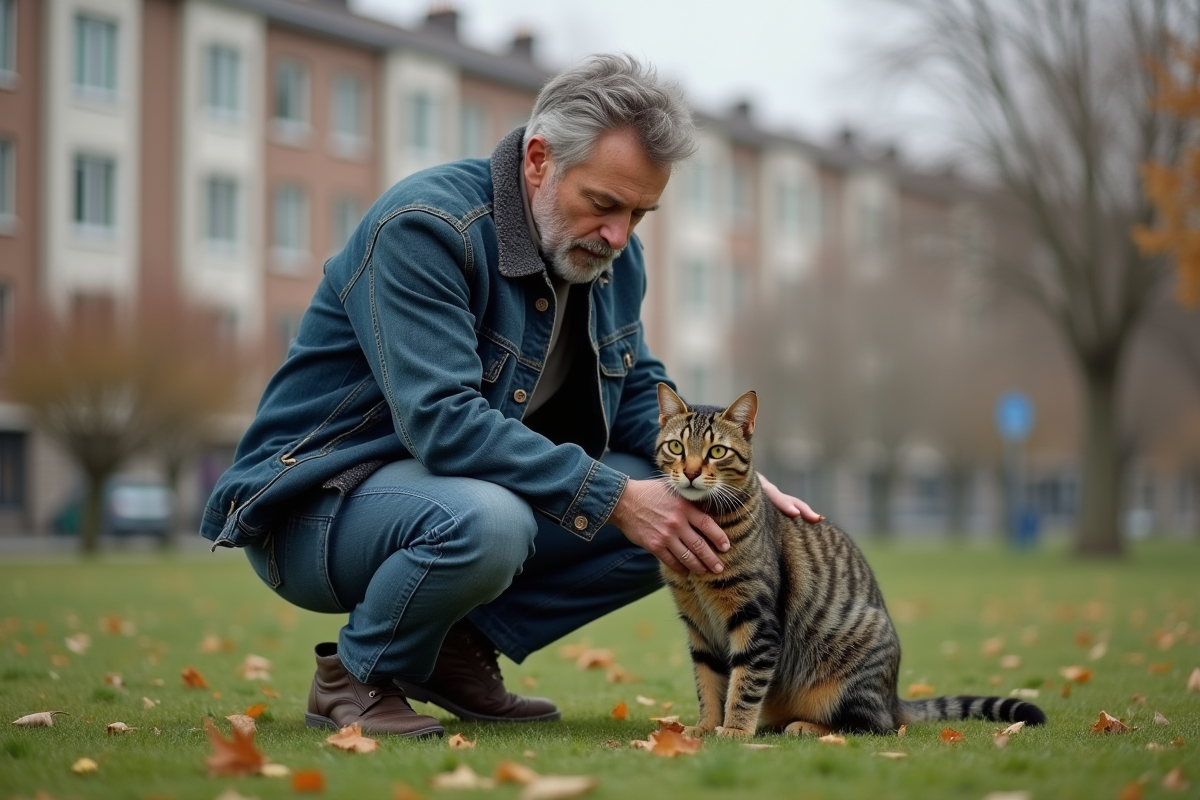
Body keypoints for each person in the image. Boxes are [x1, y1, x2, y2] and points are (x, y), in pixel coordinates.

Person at [200, 54, 819, 738]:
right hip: (319, 509)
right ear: (537, 160)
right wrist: (611, 498)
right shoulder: (426, 228)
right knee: (493, 521)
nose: (620, 235)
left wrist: (737, 482)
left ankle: (451, 653)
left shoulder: (614, 258)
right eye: (605, 204)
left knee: (685, 510)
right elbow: (443, 422)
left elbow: (640, 389)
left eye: (641, 214)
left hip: (454, 493)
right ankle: (355, 677)